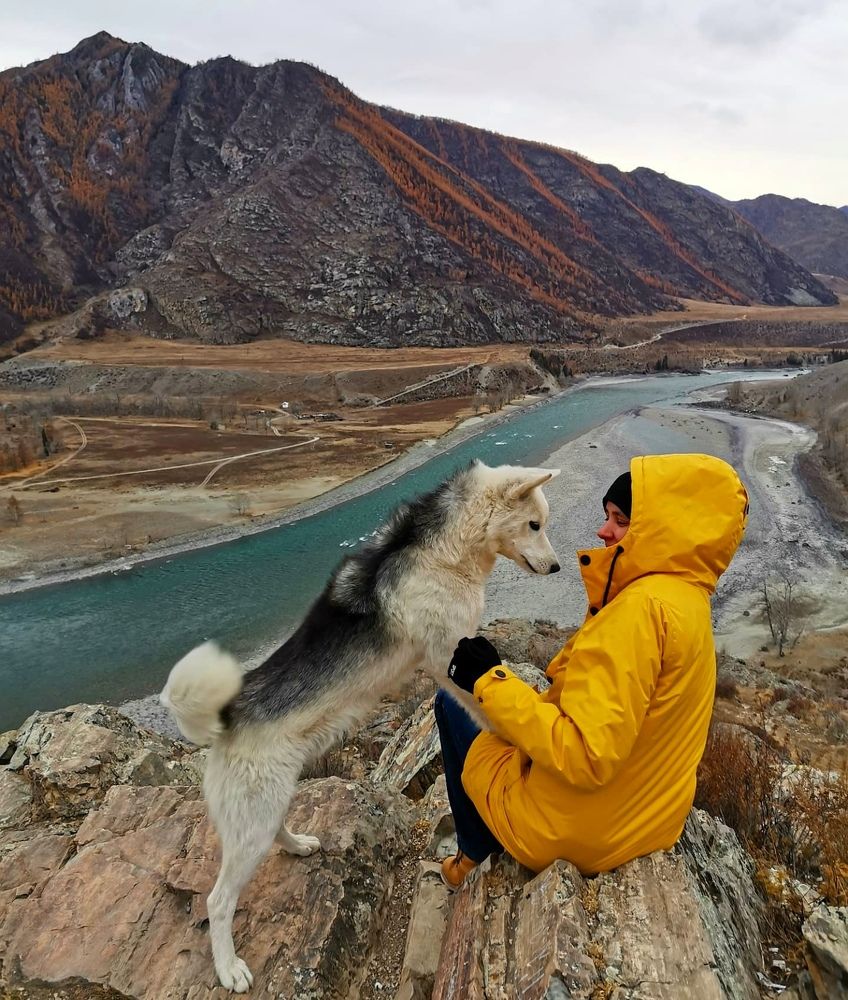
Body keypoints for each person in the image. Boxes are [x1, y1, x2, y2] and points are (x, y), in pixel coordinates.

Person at [435, 452, 748, 890]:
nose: (603, 531)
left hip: (574, 831)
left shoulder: (638, 612)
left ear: (659, 529)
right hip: (648, 817)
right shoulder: (685, 598)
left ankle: (471, 853)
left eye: (620, 520)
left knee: (451, 703)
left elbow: (583, 754)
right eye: (606, 516)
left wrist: (489, 679)